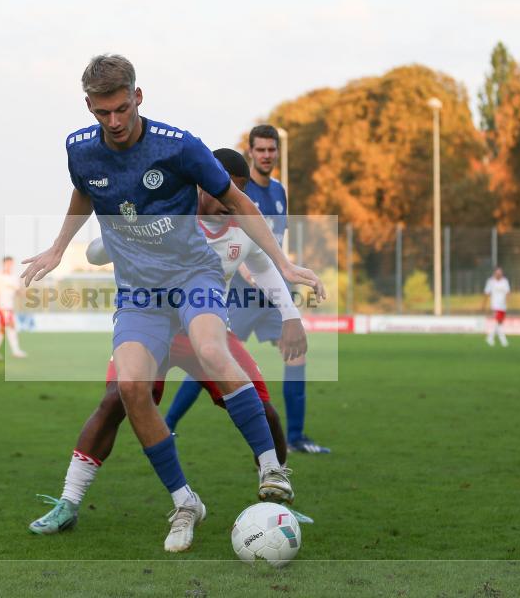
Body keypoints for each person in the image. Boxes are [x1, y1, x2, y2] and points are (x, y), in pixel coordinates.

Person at [21, 55, 323, 552]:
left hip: (192, 277)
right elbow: (83, 191)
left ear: (138, 96)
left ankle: (272, 469)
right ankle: (185, 501)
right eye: (102, 113)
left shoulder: (180, 146)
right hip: (140, 294)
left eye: (121, 109)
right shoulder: (80, 149)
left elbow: (243, 204)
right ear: (89, 107)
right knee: (130, 390)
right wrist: (58, 248)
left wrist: (286, 266)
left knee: (210, 348)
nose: (114, 122)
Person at [165, 125, 329, 455]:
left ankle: (295, 437)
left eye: (272, 149)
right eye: (261, 149)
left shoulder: (280, 191)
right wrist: (246, 270)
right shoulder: (231, 189)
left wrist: (284, 284)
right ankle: (168, 424)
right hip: (239, 294)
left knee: (296, 355)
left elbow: (270, 247)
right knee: (211, 358)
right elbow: (234, 246)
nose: (267, 155)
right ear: (251, 152)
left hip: (271, 288)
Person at [0, 256, 27, 360]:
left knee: (2, 329)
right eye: (7, 263)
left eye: (11, 263)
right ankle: (16, 351)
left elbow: (17, 291)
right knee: (11, 326)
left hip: (9, 306)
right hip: (2, 306)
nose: (9, 265)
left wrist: (24, 294)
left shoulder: (14, 277)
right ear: (3, 264)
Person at [483, 267, 510, 347]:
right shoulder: (490, 281)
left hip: (503, 306)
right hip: (495, 305)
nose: (499, 274)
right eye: (497, 273)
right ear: (495, 273)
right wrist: (484, 304)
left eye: (500, 273)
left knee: (499, 323)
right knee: (498, 322)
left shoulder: (505, 281)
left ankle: (490, 338)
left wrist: (507, 302)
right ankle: (503, 341)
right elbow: (487, 293)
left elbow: (508, 292)